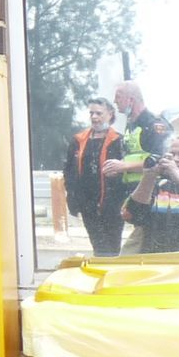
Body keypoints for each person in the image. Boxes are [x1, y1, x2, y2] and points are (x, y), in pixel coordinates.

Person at [104, 80, 171, 252]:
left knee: (133, 250)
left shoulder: (154, 124)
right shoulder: (131, 124)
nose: (114, 101)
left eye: (118, 97)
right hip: (136, 195)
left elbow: (161, 159)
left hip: (153, 195)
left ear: (131, 100)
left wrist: (123, 167)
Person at [62, 96, 125, 256]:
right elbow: (69, 172)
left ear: (110, 114)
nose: (94, 117)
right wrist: (72, 199)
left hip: (112, 203)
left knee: (112, 245)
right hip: (87, 203)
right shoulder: (78, 140)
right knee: (99, 245)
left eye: (99, 113)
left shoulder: (119, 141)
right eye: (91, 113)